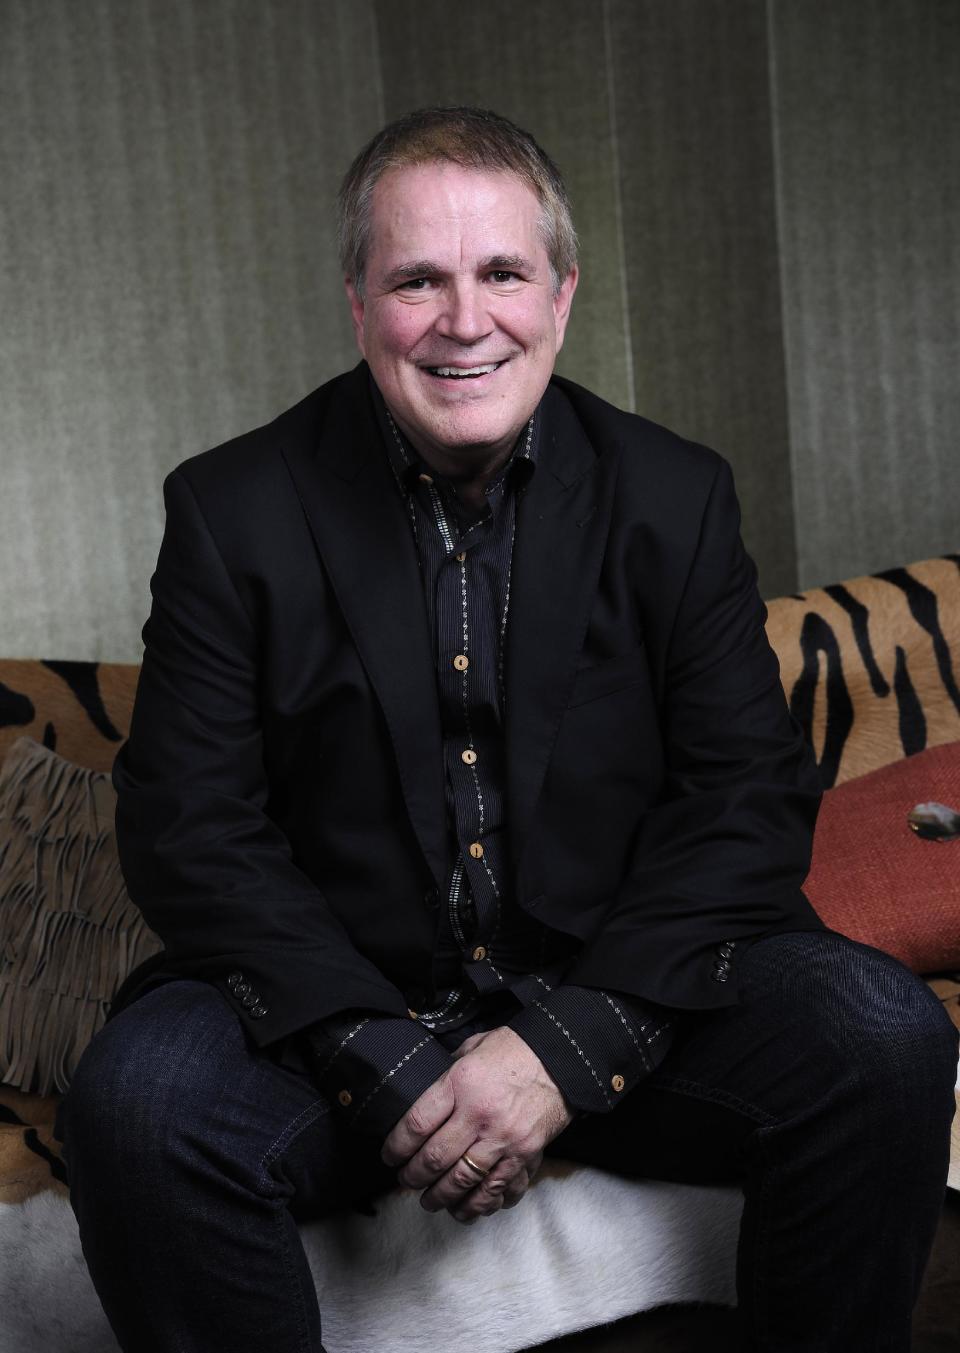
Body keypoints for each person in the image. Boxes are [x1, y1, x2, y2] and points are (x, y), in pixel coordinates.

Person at [59, 106, 957, 1353]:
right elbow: (190, 825)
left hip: (623, 997)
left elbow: (743, 799)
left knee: (882, 1034)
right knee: (139, 1100)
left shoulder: (674, 493)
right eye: (416, 278)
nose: (464, 319)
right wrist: (380, 1056)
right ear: (359, 302)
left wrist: (563, 1051)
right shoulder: (231, 509)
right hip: (332, 1017)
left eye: (502, 274)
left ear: (564, 295)